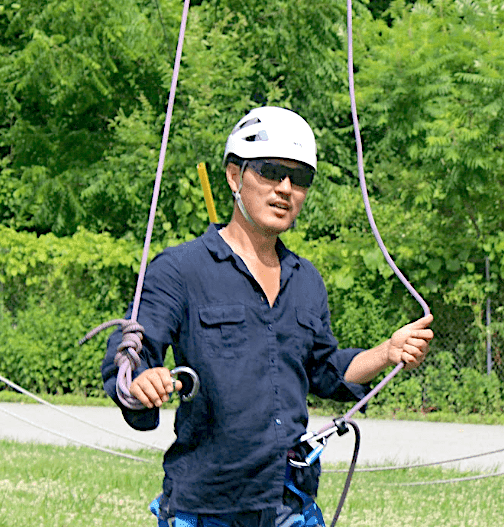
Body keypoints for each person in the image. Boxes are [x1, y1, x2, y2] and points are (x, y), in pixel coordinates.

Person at [102, 106, 433, 527]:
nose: (285, 188)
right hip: (206, 507)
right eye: (271, 171)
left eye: (300, 178)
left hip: (289, 504)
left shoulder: (306, 280)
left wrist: (387, 352)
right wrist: (144, 380)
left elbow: (325, 369)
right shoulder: (181, 269)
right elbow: (133, 348)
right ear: (234, 176)